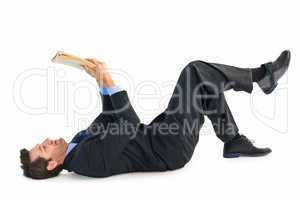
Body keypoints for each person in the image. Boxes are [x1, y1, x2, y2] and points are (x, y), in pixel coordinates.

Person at [20, 50, 291, 179]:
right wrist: (109, 78)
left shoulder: (78, 143)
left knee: (203, 85)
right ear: (52, 164)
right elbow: (128, 124)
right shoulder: (85, 162)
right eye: (44, 147)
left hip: (159, 136)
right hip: (168, 149)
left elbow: (110, 117)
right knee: (195, 71)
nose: (47, 140)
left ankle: (232, 140)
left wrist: (99, 80)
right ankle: (262, 77)